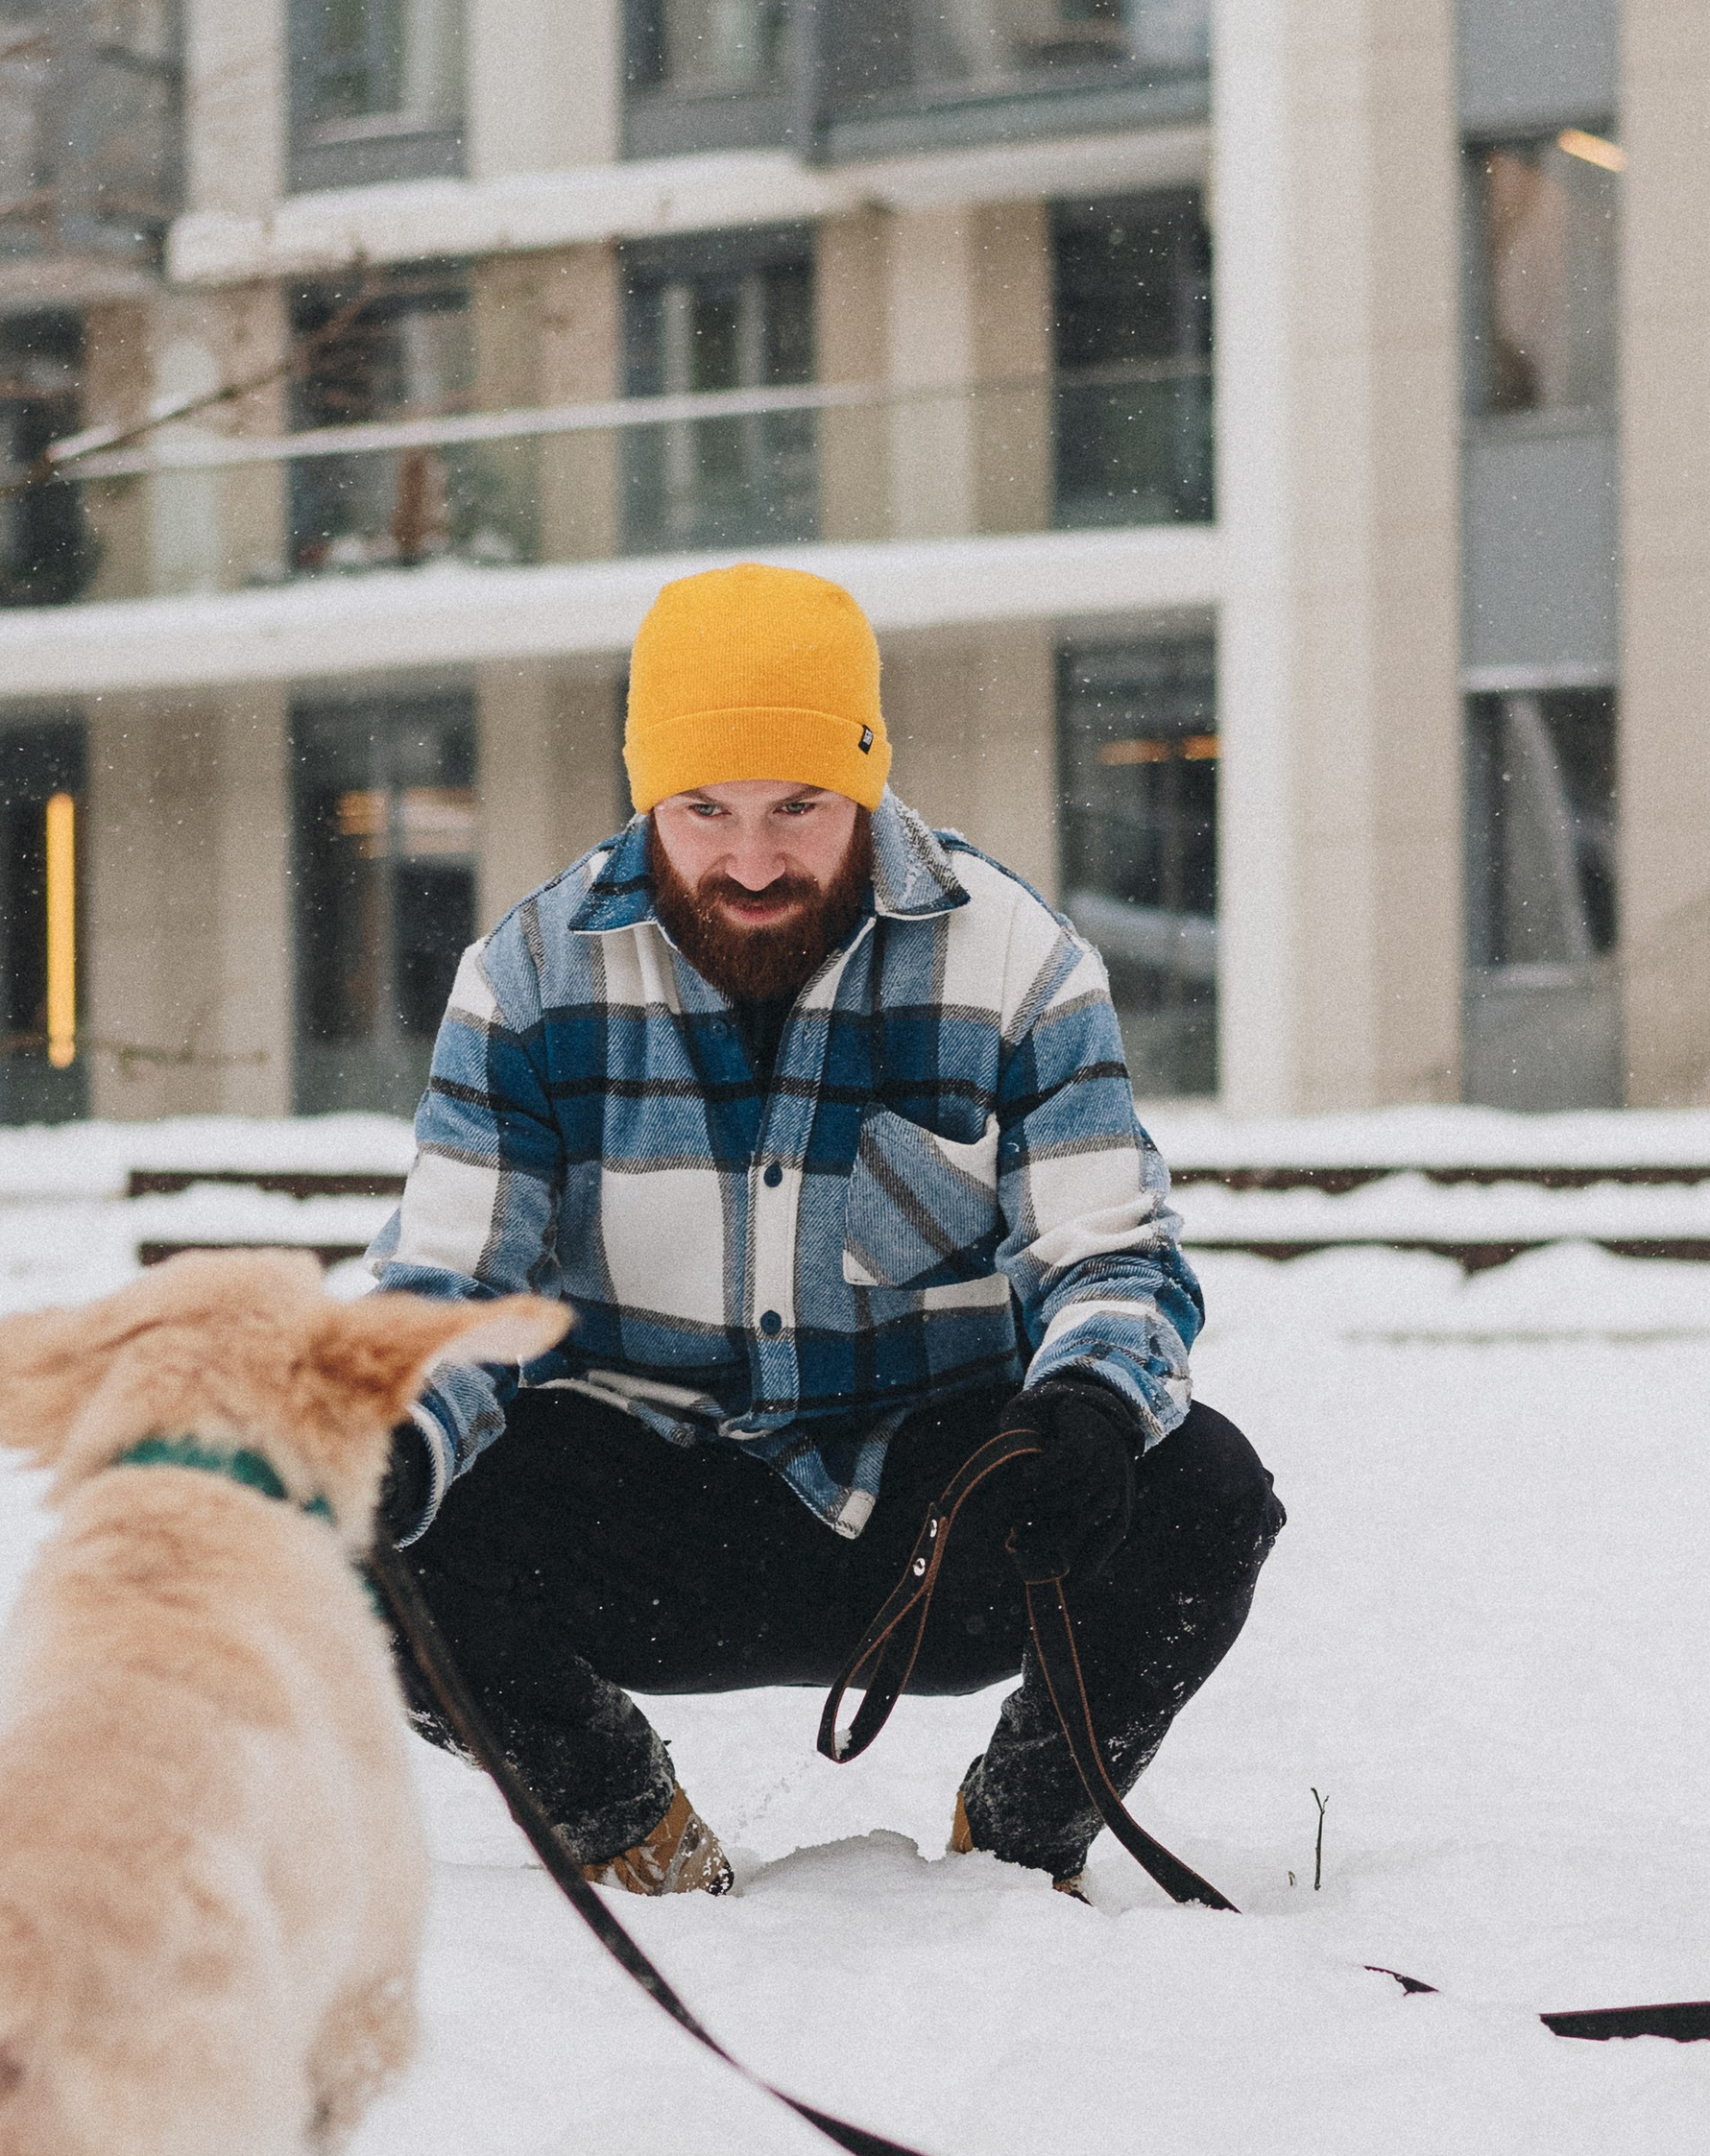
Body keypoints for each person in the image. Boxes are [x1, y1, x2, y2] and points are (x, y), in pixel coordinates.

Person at [366, 561, 1283, 1896]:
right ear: (648, 795)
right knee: (336, 1512)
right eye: (705, 809)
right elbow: (455, 1281)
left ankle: (1020, 1843)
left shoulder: (1016, 962)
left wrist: (1089, 1398)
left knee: (1200, 1492)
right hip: (642, 1501)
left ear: (863, 778)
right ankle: (625, 1825)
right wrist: (391, 1424)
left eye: (800, 806)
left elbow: (1111, 1250)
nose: (751, 858)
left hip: (931, 1521)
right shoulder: (527, 978)